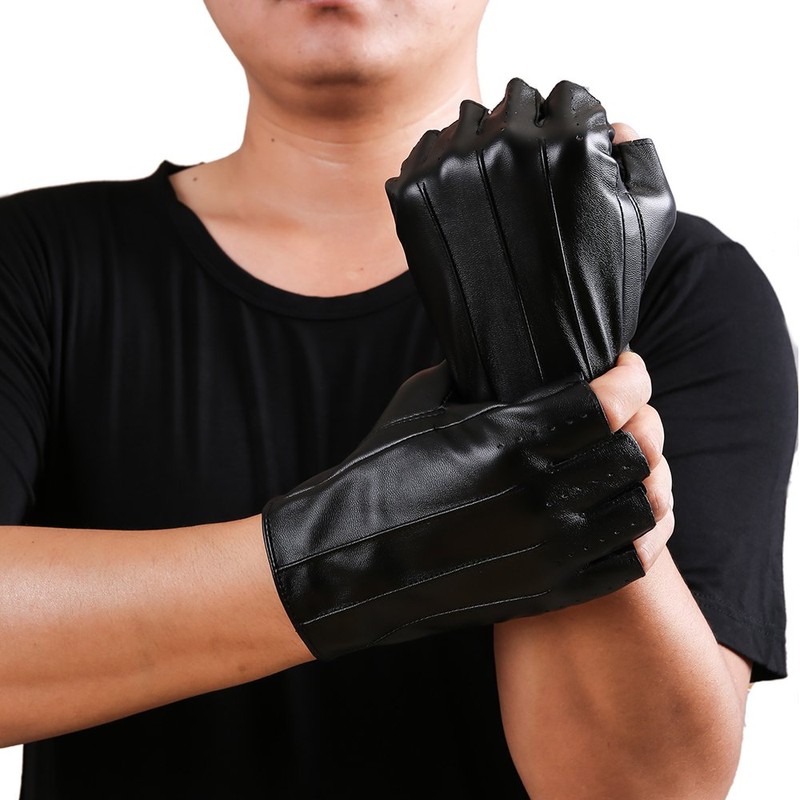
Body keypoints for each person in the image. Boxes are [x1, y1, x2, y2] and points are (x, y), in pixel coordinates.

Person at [0, 1, 795, 798]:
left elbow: (642, 788)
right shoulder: (29, 263)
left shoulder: (680, 284)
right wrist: (355, 553)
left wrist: (547, 367)